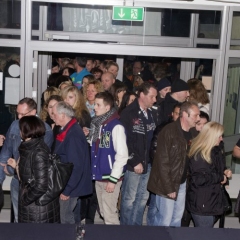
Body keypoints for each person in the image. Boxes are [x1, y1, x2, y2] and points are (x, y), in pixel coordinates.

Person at [0, 98, 53, 222]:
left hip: (33, 185)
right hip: (16, 181)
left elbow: (38, 163)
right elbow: (5, 154)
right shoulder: (14, 126)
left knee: (33, 220)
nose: (19, 117)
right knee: (19, 218)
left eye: (23, 114)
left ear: (33, 112)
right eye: (17, 113)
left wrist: (12, 168)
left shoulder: (45, 131)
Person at [147, 101, 200, 227]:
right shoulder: (168, 131)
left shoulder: (194, 133)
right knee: (164, 219)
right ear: (185, 115)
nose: (198, 119)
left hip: (181, 182)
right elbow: (162, 162)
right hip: (167, 183)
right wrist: (169, 188)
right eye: (196, 115)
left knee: (177, 218)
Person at [7, 116, 60, 223]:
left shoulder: (38, 152)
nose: (19, 131)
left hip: (38, 211)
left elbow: (41, 186)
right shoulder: (28, 148)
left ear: (27, 130)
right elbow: (27, 177)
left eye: (20, 128)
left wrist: (25, 200)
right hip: (33, 207)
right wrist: (16, 166)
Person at [88, 92, 128, 224]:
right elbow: (98, 148)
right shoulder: (98, 124)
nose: (95, 107)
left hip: (109, 177)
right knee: (104, 212)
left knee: (109, 213)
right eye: (95, 104)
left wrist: (113, 179)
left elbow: (122, 155)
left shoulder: (116, 126)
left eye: (98, 105)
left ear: (107, 108)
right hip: (100, 175)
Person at [120, 82, 157, 225]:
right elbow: (124, 141)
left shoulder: (152, 113)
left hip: (148, 163)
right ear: (142, 94)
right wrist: (134, 161)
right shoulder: (128, 113)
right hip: (134, 163)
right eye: (152, 96)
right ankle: (126, 231)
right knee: (129, 199)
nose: (155, 99)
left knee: (142, 198)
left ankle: (136, 229)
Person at [52, 101, 92, 224]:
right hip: (69, 182)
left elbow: (76, 166)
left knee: (66, 219)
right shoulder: (68, 129)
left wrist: (67, 190)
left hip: (71, 185)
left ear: (63, 115)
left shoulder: (73, 134)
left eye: (54, 114)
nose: (51, 116)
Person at [186, 122, 232, 227]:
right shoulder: (200, 155)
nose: (221, 139)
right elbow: (198, 179)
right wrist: (220, 177)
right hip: (202, 203)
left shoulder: (214, 151)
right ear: (211, 137)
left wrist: (224, 171)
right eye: (219, 136)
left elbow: (215, 169)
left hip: (210, 201)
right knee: (204, 234)